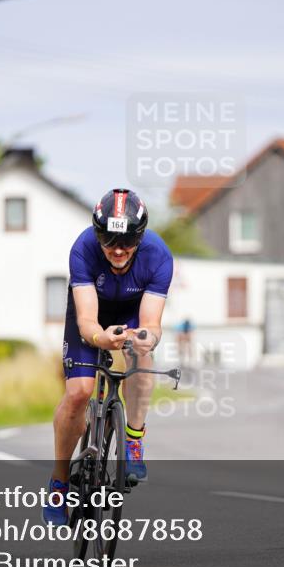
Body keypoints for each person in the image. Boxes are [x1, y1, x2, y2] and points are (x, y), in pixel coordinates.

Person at [43, 188, 173, 525]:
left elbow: (152, 324)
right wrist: (101, 337)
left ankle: (134, 439)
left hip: (133, 313)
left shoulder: (158, 255)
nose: (117, 250)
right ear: (97, 235)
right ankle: (59, 483)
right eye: (109, 240)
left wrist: (145, 338)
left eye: (127, 242)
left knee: (143, 354)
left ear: (140, 238)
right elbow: (87, 320)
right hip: (91, 316)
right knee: (79, 392)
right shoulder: (84, 248)